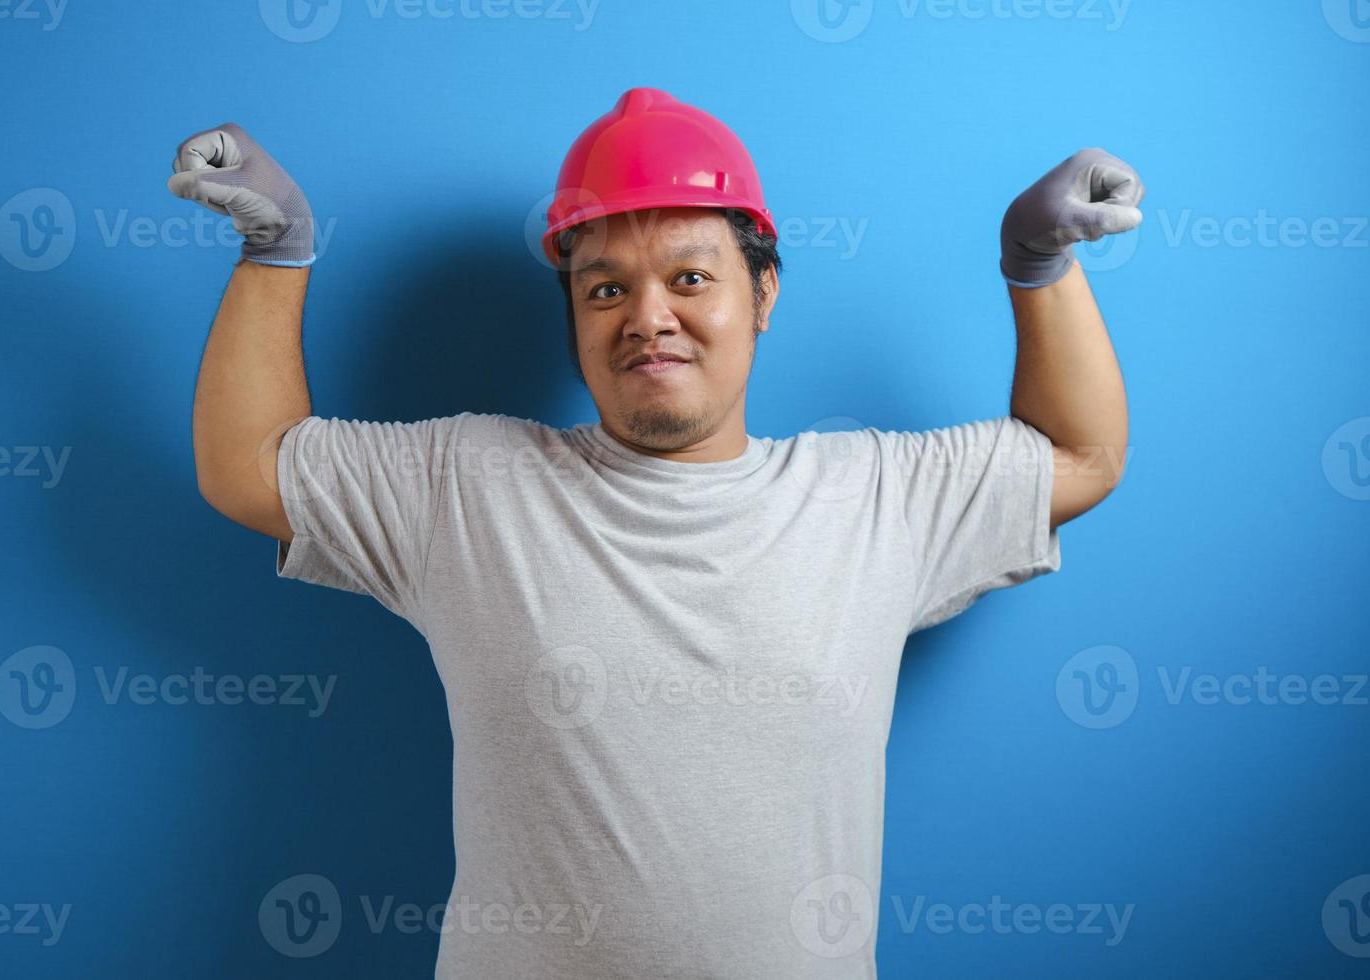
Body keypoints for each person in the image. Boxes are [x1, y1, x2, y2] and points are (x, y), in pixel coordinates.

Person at [168, 86, 1142, 979]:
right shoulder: (470, 483)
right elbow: (250, 464)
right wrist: (277, 251)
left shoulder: (873, 495)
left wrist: (1038, 266)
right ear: (575, 316)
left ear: (762, 294)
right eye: (604, 288)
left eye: (689, 276)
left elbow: (1080, 455)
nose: (647, 317)